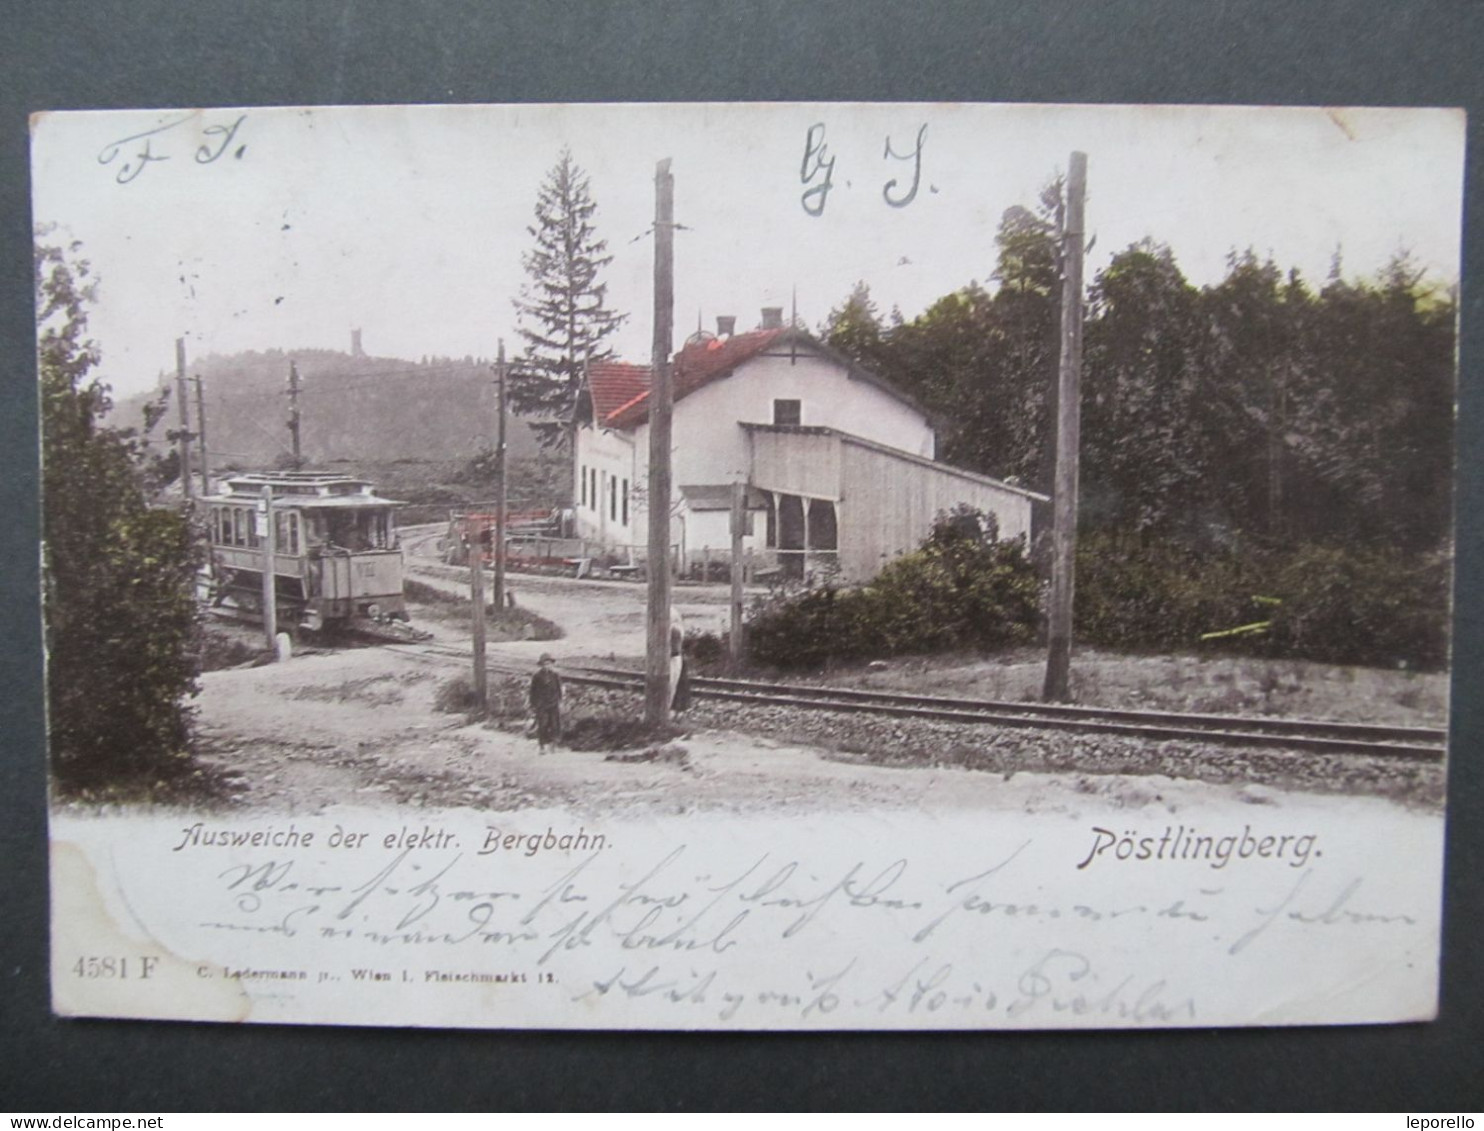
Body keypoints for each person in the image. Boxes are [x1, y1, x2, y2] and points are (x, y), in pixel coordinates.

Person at [528, 653, 562, 753]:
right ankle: (542, 746)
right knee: (542, 724)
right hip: (541, 704)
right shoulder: (537, 676)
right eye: (545, 664)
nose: (547, 665)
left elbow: (558, 689)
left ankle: (553, 745)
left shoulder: (555, 675)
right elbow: (533, 691)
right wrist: (533, 704)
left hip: (553, 703)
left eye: (549, 663)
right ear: (541, 665)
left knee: (554, 724)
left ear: (552, 664)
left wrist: (559, 700)